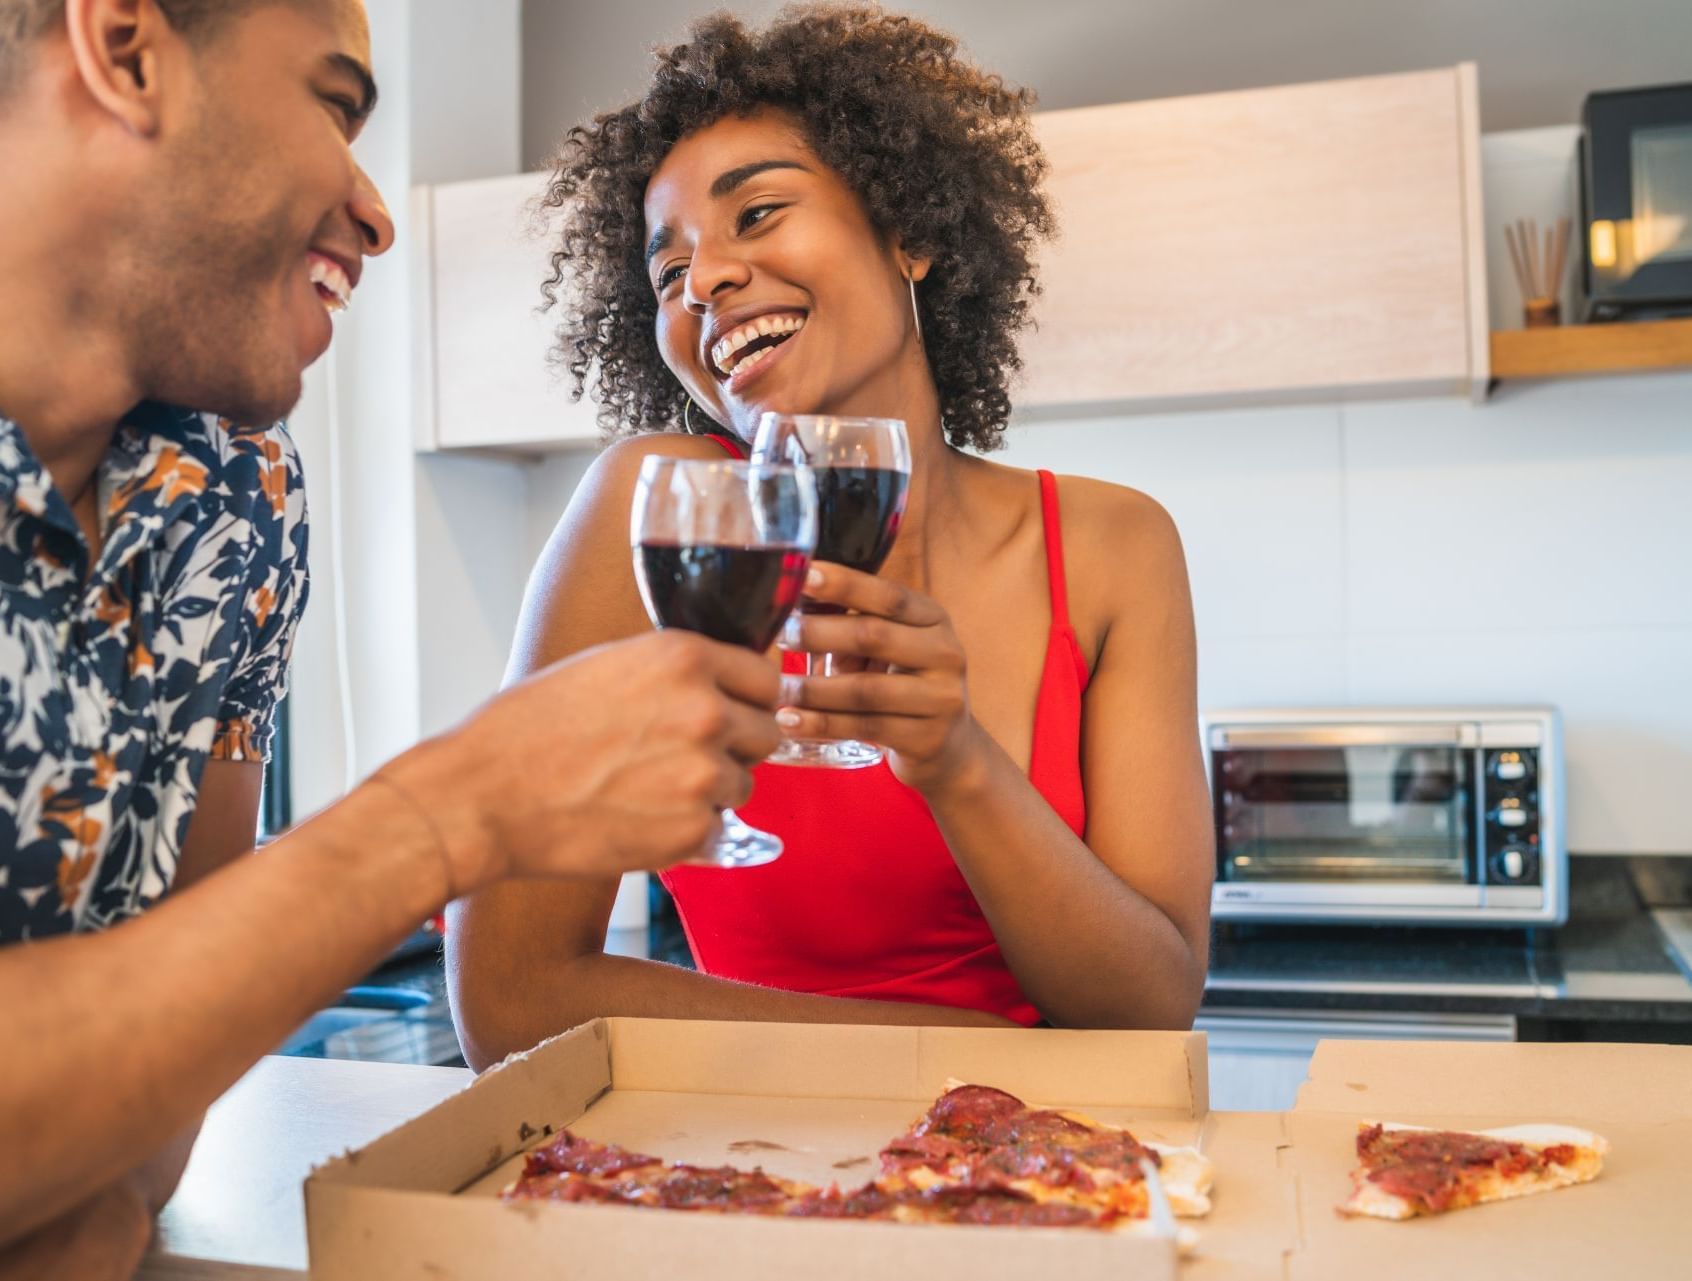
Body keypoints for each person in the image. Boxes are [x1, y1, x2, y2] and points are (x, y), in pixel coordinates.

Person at [0, 2, 782, 1276]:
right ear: (126, 50)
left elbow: (148, 1137)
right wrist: (450, 812)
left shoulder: (232, 490)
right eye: (333, 102)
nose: (376, 213)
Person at [448, 5, 1215, 1071]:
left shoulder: (1112, 545)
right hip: (758, 1171)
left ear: (911, 231)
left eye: (756, 214)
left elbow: (1150, 1008)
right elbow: (508, 999)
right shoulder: (656, 514)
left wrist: (956, 764)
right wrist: (980, 1066)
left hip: (1061, 1188)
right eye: (669, 273)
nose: (704, 280)